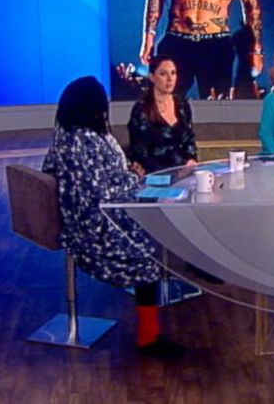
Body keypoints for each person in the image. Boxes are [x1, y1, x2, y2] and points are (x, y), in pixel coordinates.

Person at [42, 76, 184, 359]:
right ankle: (148, 338)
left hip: (89, 219)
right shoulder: (85, 141)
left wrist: (124, 171)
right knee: (150, 248)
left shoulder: (64, 136)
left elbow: (55, 170)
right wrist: (132, 177)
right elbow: (102, 191)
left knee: (157, 223)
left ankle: (153, 328)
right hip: (98, 228)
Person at [127, 54, 199, 174]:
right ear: (152, 77)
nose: (170, 79)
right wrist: (172, 173)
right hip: (155, 177)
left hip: (184, 175)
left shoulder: (182, 105)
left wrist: (191, 160)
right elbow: (139, 152)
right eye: (163, 74)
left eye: (173, 73)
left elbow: (189, 141)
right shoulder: (141, 109)